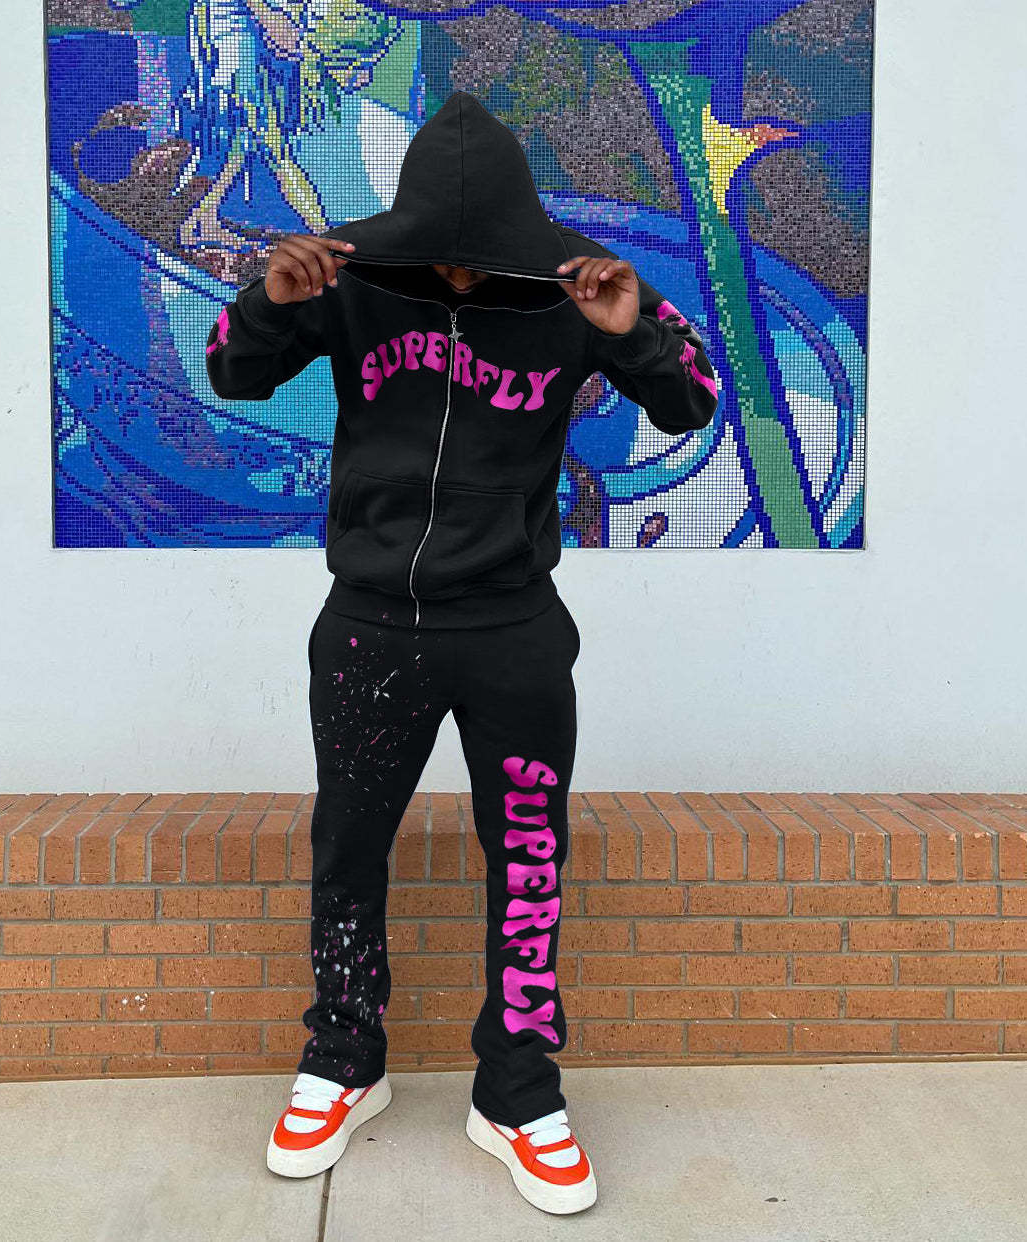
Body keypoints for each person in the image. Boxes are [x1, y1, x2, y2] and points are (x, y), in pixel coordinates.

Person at [205, 89, 718, 1216]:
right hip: (370, 628)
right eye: (442, 256)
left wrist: (632, 329)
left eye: (480, 258)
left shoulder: (576, 293)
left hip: (513, 630)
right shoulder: (352, 285)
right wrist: (269, 304)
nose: (459, 276)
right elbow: (232, 375)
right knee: (348, 848)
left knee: (528, 859)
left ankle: (517, 1092)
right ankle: (346, 1059)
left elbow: (693, 405)